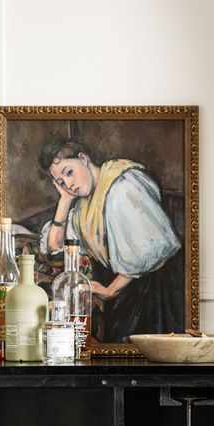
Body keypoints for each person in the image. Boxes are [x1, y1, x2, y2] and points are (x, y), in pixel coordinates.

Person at [39, 139, 183, 341]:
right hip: (125, 290)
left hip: (157, 288)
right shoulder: (82, 207)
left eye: (69, 172)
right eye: (61, 182)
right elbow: (53, 249)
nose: (69, 185)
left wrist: (110, 290)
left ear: (83, 158)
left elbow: (151, 250)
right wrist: (64, 201)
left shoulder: (122, 186)